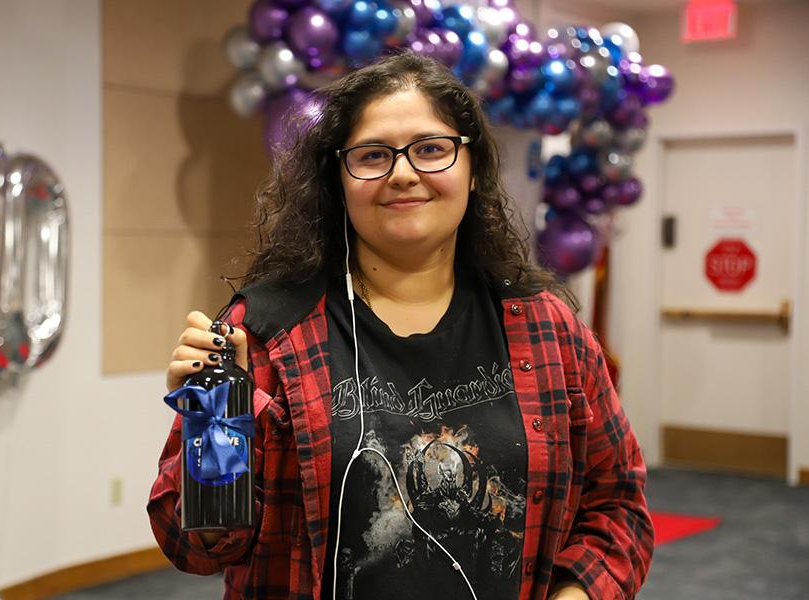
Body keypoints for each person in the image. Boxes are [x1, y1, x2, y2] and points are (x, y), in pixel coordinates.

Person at [148, 51, 653, 600]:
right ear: (338, 180)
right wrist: (216, 430)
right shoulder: (264, 332)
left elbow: (617, 505)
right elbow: (195, 548)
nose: (404, 174)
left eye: (432, 149)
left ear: (475, 168)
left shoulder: (547, 329)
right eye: (372, 156)